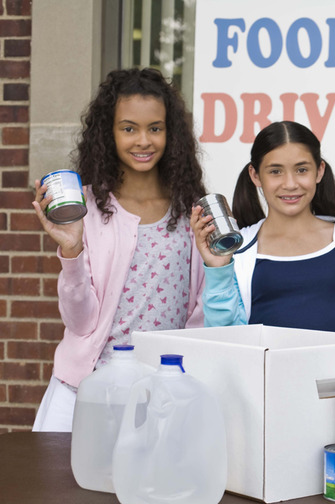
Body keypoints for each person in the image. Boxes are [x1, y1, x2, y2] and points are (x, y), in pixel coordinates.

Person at [31, 67, 208, 432]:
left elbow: (198, 316)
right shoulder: (86, 207)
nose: (143, 140)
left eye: (155, 128)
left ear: (171, 133)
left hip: (162, 399)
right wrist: (72, 251)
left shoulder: (190, 210)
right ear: (108, 133)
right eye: (129, 129)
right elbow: (80, 323)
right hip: (87, 390)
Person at [190, 121, 335, 336]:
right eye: (275, 171)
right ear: (255, 175)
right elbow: (225, 338)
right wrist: (219, 270)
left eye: (302, 170)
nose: (290, 184)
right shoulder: (237, 252)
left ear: (319, 171)